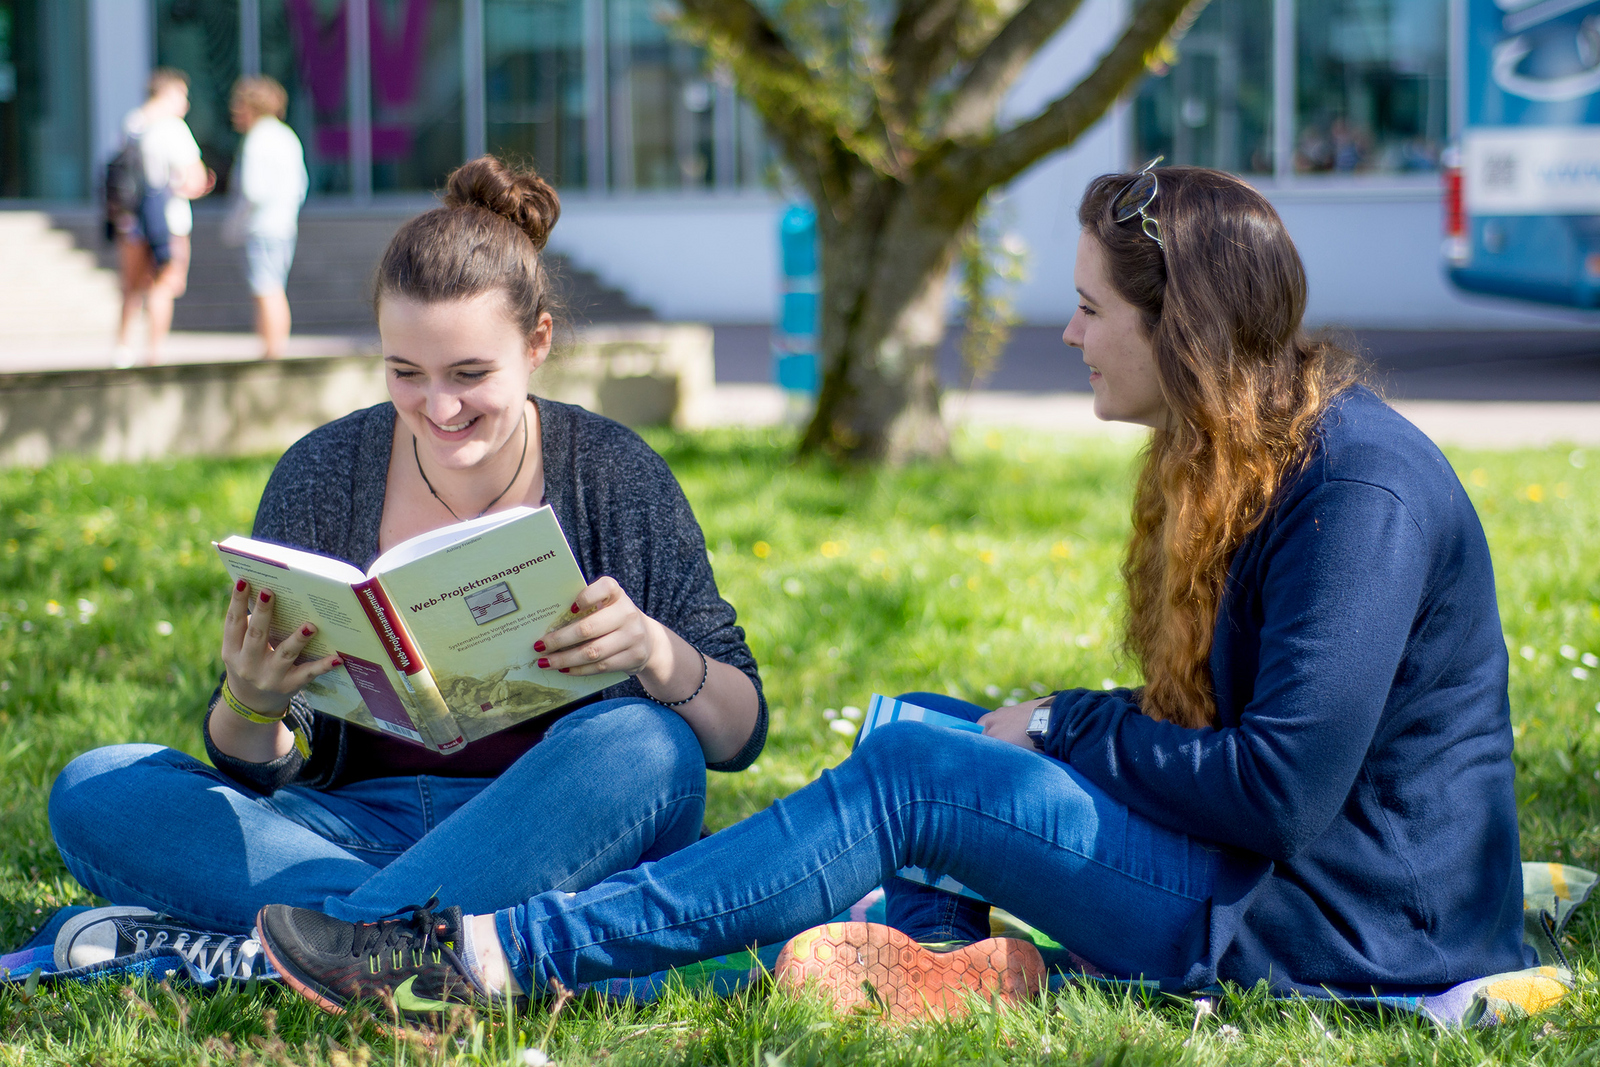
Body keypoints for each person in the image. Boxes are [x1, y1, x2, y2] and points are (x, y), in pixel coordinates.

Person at [253, 162, 1533, 1021]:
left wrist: (1065, 728)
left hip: (1337, 930)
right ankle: (942, 971)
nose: (1071, 332)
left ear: (1182, 325)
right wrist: (1047, 721)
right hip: (1259, 875)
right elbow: (1221, 736)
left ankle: (489, 954)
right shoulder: (1242, 451)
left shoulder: (1358, 490)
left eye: (1089, 309)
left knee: (926, 772)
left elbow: (1278, 788)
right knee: (917, 723)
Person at [48, 156, 766, 975]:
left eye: (470, 374)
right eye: (405, 374)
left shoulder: (615, 474)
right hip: (346, 828)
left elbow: (738, 736)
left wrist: (652, 649)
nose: (441, 408)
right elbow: (263, 762)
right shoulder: (323, 473)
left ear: (537, 344)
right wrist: (252, 699)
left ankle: (305, 943)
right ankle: (394, 941)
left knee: (649, 746)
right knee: (96, 785)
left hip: (559, 826)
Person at [113, 68, 214, 367]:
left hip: (132, 218)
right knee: (162, 284)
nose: (186, 103)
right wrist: (202, 183)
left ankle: (122, 347)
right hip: (168, 220)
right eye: (183, 95)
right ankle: (154, 355)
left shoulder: (132, 123)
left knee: (131, 285)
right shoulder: (174, 128)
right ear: (168, 93)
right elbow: (194, 178)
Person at [226, 75, 308, 360]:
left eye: (238, 106)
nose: (234, 112)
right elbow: (301, 187)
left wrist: (234, 224)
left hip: (261, 226)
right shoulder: (287, 136)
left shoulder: (257, 139)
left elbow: (252, 190)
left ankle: (272, 353)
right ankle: (274, 349)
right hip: (284, 225)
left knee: (265, 289)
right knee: (274, 286)